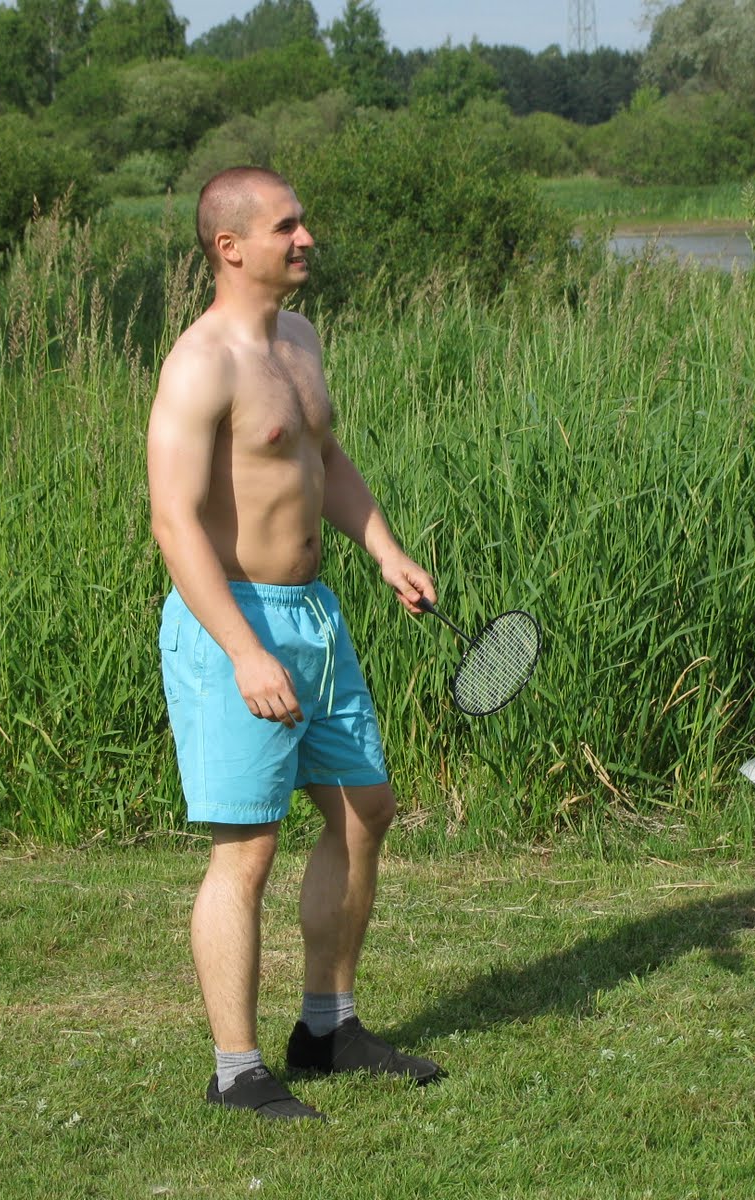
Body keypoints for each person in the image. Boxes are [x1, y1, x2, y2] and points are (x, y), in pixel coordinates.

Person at [147, 166, 443, 1121]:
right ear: (231, 247)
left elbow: (323, 456)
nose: (306, 237)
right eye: (286, 226)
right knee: (248, 848)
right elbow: (174, 522)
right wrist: (242, 650)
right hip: (232, 623)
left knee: (365, 810)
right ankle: (237, 1071)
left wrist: (384, 548)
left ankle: (327, 1028)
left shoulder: (300, 340)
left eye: (303, 221)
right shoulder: (201, 364)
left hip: (314, 616)